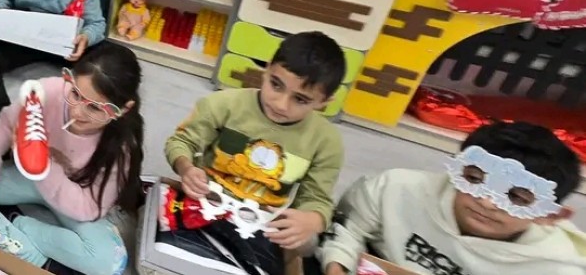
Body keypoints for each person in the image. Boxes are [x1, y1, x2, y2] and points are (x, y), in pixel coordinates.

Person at [0, 42, 143, 275]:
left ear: (123, 109)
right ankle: (31, 256)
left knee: (108, 263)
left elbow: (88, 209)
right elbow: (7, 123)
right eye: (75, 94)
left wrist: (44, 166)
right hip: (29, 179)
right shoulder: (47, 92)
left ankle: (22, 227)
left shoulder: (122, 147)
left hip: (75, 193)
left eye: (95, 108)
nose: (77, 112)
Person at [163, 31, 347, 275]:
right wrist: (186, 167)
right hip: (206, 202)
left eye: (301, 99)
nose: (281, 104)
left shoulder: (327, 141)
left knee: (295, 251)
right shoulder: (224, 104)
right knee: (168, 246)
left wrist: (313, 220)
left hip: (262, 222)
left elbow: (318, 198)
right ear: (267, 68)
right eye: (276, 84)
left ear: (325, 101)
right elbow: (182, 141)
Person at [319, 121, 586, 275]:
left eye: (516, 197)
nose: (487, 202)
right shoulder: (395, 188)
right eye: (475, 179)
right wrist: (337, 264)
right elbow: (346, 228)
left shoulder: (556, 268)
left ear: (551, 215)